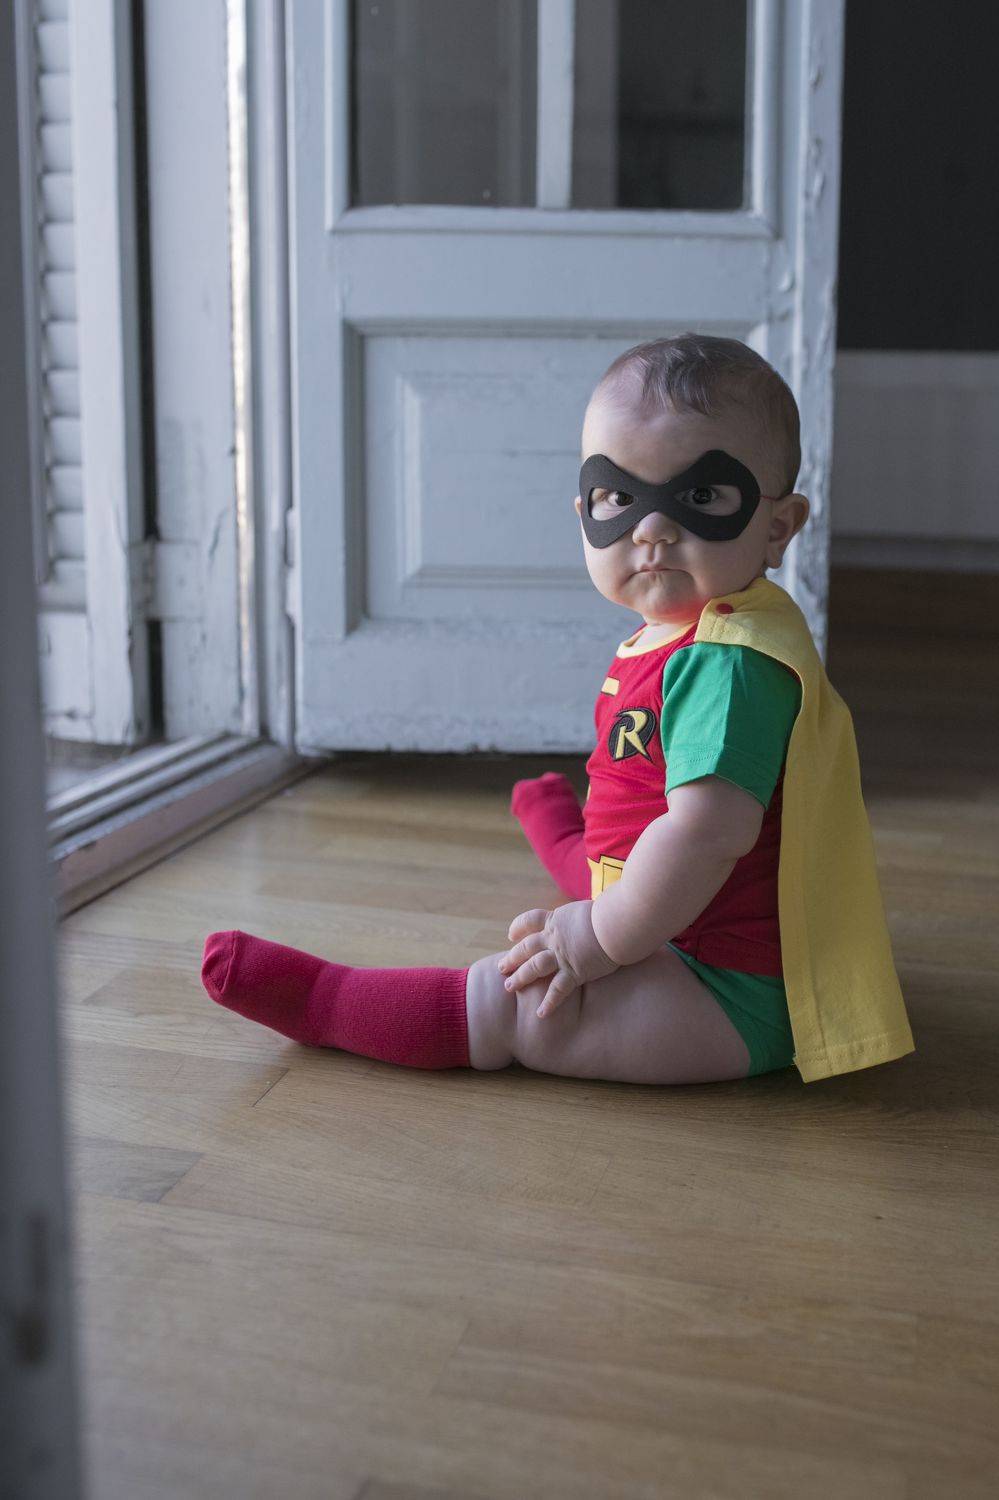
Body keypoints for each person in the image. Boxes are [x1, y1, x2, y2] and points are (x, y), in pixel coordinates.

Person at [201, 333, 915, 1086]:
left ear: (777, 528)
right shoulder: (682, 631)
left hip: (731, 988)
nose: (650, 529)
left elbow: (704, 835)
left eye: (701, 497)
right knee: (606, 872)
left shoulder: (730, 664)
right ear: (584, 512)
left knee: (526, 1006)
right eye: (620, 498)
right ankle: (569, 842)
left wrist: (597, 940)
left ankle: (329, 1001)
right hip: (664, 908)